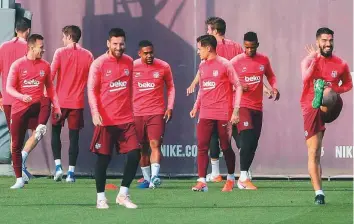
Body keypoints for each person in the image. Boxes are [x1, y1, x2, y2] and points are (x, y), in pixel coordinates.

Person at [185, 17, 271, 183]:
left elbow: (205, 73)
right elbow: (246, 68)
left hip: (222, 99)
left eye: (209, 30)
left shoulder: (211, 51)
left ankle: (222, 173)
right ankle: (243, 171)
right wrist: (265, 87)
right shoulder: (236, 47)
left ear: (215, 31)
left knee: (217, 137)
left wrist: (194, 84)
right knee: (236, 137)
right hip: (231, 99)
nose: (207, 33)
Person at [88, 28, 141, 209]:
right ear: (108, 43)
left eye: (121, 44)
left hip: (126, 119)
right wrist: (95, 113)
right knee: (103, 160)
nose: (119, 47)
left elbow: (132, 88)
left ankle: (123, 194)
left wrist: (135, 110)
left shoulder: (129, 62)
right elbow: (92, 91)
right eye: (115, 44)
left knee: (134, 155)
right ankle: (101, 198)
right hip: (105, 120)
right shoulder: (98, 64)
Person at [300, 27, 352, 205]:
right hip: (311, 108)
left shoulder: (341, 64)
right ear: (317, 42)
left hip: (332, 105)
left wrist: (334, 91)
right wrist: (314, 61)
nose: (328, 44)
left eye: (330, 40)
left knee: (328, 92)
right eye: (324, 40)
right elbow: (305, 78)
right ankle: (319, 193)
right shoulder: (308, 60)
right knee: (314, 151)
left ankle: (324, 96)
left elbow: (348, 84)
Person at [6, 34, 61, 189]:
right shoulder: (18, 65)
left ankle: (41, 126)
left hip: (37, 108)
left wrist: (57, 107)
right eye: (41, 47)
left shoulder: (45, 65)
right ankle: (19, 179)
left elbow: (50, 88)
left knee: (46, 99)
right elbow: (9, 88)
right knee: (16, 144)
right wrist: (22, 96)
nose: (43, 50)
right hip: (20, 108)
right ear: (31, 47)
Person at [0, 18, 51, 182]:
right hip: (29, 99)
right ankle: (21, 163)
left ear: (15, 30)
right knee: (38, 131)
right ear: (28, 31)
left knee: (16, 137)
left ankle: (19, 165)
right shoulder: (31, 48)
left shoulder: (3, 47)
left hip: (8, 99)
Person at [189, 34, 242, 192]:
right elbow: (202, 89)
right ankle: (202, 181)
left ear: (208, 48)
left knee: (225, 146)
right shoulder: (202, 66)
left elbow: (238, 86)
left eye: (200, 49)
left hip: (223, 113)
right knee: (202, 146)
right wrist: (196, 106)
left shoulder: (225, 64)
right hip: (205, 113)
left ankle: (231, 178)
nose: (198, 52)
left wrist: (236, 110)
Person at [230, 32, 279, 190]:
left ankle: (244, 172)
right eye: (246, 47)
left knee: (253, 144)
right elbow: (225, 79)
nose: (249, 50)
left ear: (257, 45)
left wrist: (274, 88)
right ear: (243, 45)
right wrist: (237, 86)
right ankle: (243, 177)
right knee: (248, 139)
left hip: (258, 107)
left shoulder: (263, 60)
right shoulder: (236, 61)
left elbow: (271, 76)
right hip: (242, 105)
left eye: (252, 47)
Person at [50, 25, 94, 182]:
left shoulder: (60, 52)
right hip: (77, 103)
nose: (62, 39)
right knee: (74, 137)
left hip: (59, 102)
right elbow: (93, 80)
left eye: (63, 36)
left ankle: (57, 168)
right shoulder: (88, 55)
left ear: (69, 37)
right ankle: (71, 174)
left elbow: (50, 75)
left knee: (55, 132)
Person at [133, 40, 175, 189]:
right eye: (146, 53)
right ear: (140, 54)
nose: (149, 55)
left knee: (155, 144)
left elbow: (171, 87)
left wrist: (169, 107)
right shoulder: (132, 67)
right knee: (141, 148)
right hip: (137, 114)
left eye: (151, 52)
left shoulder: (163, 66)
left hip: (156, 112)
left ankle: (155, 176)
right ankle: (147, 178)